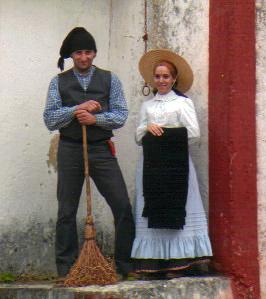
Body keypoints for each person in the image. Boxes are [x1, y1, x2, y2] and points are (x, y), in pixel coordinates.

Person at [43, 27, 135, 278]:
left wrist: (96, 121)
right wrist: (76, 109)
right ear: (71, 55)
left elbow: (120, 115)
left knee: (123, 206)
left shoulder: (110, 79)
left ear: (94, 53)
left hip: (101, 149)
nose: (83, 57)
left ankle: (125, 266)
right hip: (70, 148)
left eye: (88, 52)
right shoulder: (58, 82)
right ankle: (67, 268)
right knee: (66, 210)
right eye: (78, 53)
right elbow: (50, 119)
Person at [131, 49, 212, 278]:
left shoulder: (182, 103)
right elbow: (137, 137)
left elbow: (194, 133)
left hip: (176, 166)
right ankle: (154, 261)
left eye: (166, 77)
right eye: (157, 76)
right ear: (152, 79)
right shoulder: (147, 106)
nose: (162, 81)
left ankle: (180, 260)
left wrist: (166, 134)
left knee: (181, 207)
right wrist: (147, 128)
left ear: (174, 79)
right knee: (151, 205)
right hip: (151, 166)